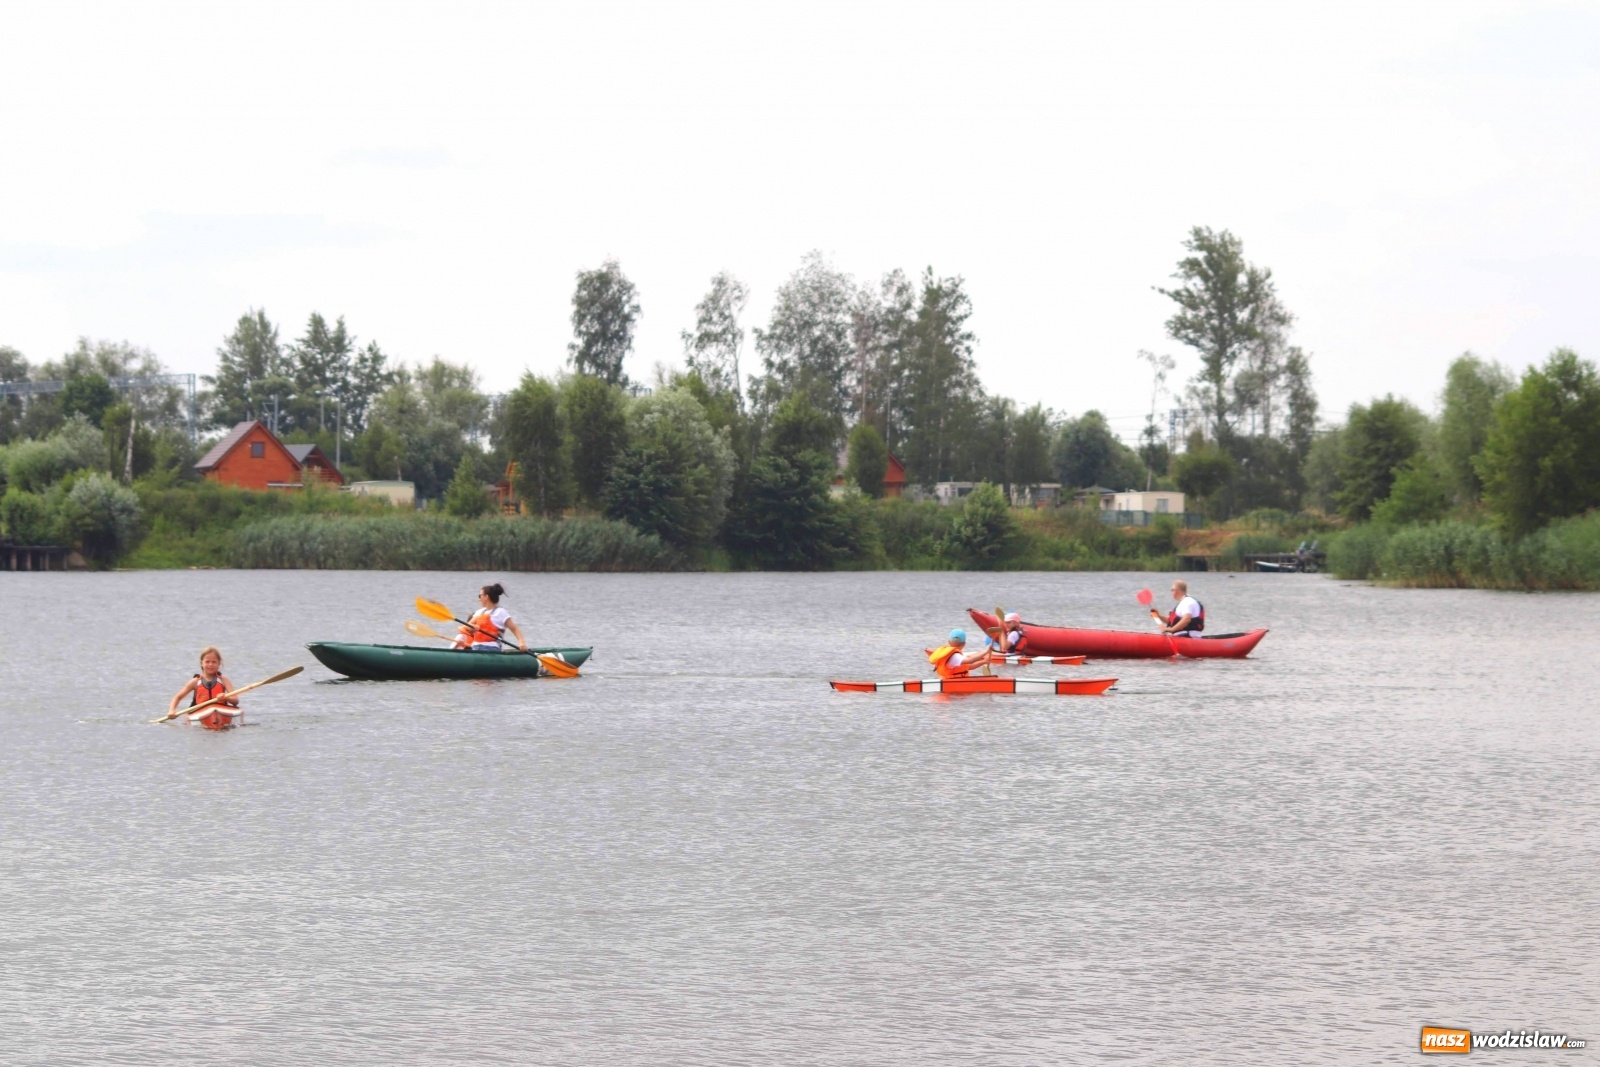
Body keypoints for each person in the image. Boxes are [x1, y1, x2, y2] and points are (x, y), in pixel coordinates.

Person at [450, 582, 528, 652]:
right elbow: (466, 627)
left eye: (480, 596)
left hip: (492, 649)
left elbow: (514, 629)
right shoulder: (479, 612)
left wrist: (521, 642)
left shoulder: (500, 612)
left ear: (486, 596)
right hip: (475, 647)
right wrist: (473, 627)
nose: (479, 599)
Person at [167, 646, 238, 719]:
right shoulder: (195, 682)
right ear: (201, 663)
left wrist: (226, 697)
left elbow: (236, 701)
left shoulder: (224, 680)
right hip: (199, 714)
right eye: (207, 662)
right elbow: (177, 697)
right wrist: (171, 710)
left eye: (214, 662)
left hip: (221, 712)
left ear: (219, 663)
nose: (210, 664)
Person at [926, 628, 994, 679]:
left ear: (949, 642)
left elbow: (970, 666)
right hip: (953, 686)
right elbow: (970, 660)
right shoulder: (956, 656)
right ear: (964, 644)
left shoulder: (948, 654)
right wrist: (986, 651)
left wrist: (983, 662)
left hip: (947, 682)